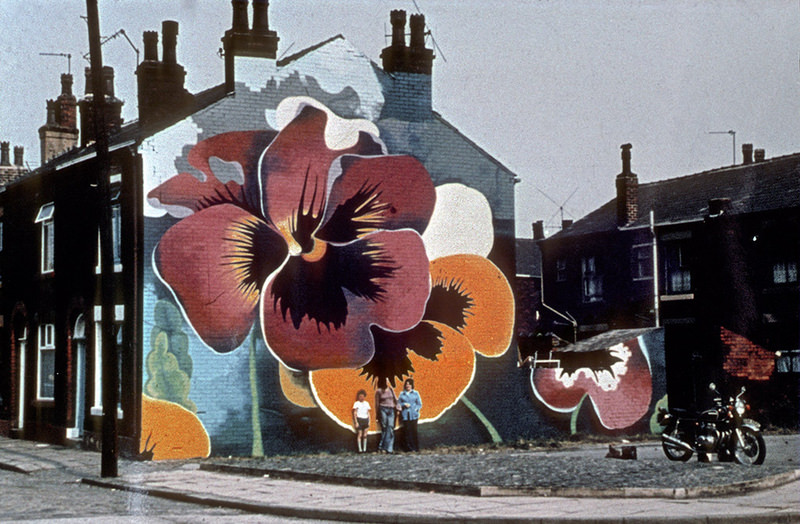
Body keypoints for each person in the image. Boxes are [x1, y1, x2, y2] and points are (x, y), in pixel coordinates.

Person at [398, 378, 422, 452]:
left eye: (409, 384)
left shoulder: (415, 393)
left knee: (414, 431)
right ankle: (408, 448)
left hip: (413, 415)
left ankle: (416, 447)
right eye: (406, 384)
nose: (407, 385)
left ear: (412, 385)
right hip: (405, 415)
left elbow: (419, 404)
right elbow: (398, 404)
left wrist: (415, 409)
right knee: (407, 431)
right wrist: (403, 404)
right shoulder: (402, 394)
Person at [374, 377, 398, 453]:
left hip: (391, 409)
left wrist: (398, 408)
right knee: (384, 427)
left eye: (388, 381)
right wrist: (377, 414)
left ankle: (389, 448)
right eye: (386, 381)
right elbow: (377, 403)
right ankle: (382, 447)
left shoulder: (391, 389)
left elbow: (395, 399)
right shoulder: (379, 391)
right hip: (383, 409)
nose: (387, 382)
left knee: (390, 427)